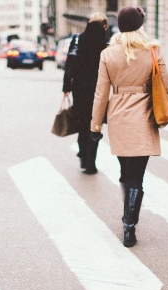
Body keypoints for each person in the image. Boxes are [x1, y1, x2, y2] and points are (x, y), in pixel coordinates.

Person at [90, 6, 168, 247]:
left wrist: (95, 126)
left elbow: (101, 93)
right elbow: (166, 85)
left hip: (118, 118)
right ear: (139, 25)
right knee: (137, 176)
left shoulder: (108, 54)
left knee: (126, 173)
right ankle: (129, 225)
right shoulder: (152, 51)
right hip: (144, 118)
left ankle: (128, 218)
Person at [62, 12, 109, 175]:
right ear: (103, 26)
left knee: (83, 123)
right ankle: (91, 163)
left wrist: (66, 86)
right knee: (95, 126)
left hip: (80, 89)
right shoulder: (105, 43)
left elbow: (70, 64)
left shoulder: (77, 39)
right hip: (99, 91)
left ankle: (83, 155)